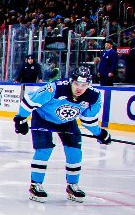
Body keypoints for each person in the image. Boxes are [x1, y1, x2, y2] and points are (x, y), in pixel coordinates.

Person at [13, 66, 112, 202]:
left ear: (89, 84)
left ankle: (73, 185)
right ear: (71, 81)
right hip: (43, 118)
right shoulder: (56, 88)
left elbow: (88, 120)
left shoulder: (94, 96)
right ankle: (36, 185)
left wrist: (100, 133)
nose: (79, 88)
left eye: (84, 85)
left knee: (75, 151)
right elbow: (30, 101)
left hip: (68, 121)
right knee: (44, 149)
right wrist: (20, 119)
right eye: (77, 84)